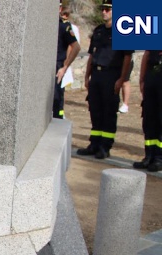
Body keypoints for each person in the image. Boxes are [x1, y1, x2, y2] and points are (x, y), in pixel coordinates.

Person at [77, 0, 133, 159]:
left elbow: (127, 57)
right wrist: (87, 76)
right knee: (95, 110)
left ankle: (105, 146)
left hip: (111, 75)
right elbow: (92, 55)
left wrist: (121, 79)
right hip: (97, 74)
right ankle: (94, 144)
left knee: (109, 111)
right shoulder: (99, 30)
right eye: (103, 9)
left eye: (108, 10)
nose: (104, 12)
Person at [135, 50, 162, 172]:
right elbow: (147, 54)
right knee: (149, 119)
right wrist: (142, 79)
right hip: (152, 76)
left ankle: (159, 158)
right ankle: (149, 156)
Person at [53, 1, 80, 119]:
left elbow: (76, 47)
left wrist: (65, 66)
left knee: (56, 100)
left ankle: (59, 118)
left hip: (57, 67)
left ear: (60, 9)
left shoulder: (64, 26)